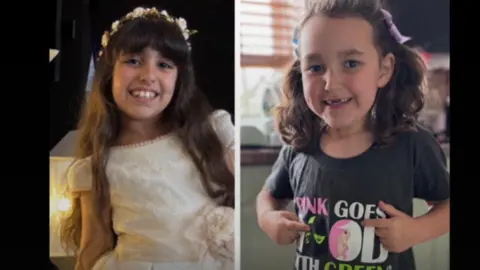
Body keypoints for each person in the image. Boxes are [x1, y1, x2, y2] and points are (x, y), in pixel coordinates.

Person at [255, 1, 450, 269]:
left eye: (351, 63)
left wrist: (416, 231)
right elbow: (268, 195)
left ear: (384, 70)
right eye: (315, 67)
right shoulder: (300, 145)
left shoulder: (411, 144)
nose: (330, 83)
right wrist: (268, 219)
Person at [60, 7, 235, 270]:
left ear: (179, 78)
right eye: (133, 61)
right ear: (109, 72)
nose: (148, 76)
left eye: (164, 65)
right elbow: (93, 247)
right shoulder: (99, 164)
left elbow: (251, 199)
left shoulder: (213, 131)